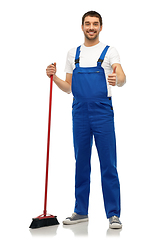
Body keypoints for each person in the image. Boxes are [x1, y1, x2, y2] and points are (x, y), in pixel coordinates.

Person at [46, 11, 126, 229]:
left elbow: (122, 78)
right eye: (88, 24)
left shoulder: (110, 52)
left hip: (102, 114)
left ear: (101, 27)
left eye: (95, 24)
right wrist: (54, 78)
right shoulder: (74, 54)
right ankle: (80, 211)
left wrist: (116, 79)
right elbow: (69, 88)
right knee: (81, 163)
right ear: (82, 26)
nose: (91, 27)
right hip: (79, 113)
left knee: (108, 164)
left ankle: (113, 214)